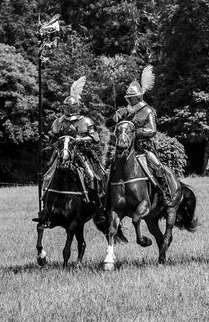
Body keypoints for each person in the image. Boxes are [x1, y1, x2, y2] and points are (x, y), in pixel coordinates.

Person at [33, 76, 105, 225]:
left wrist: (78, 140)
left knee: (92, 177)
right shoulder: (58, 121)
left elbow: (95, 138)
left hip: (80, 154)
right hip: (62, 155)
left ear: (76, 107)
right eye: (66, 107)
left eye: (71, 107)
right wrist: (45, 139)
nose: (68, 110)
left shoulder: (86, 121)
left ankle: (97, 207)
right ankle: (45, 211)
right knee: (47, 177)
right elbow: (52, 137)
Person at [113, 65, 174, 208]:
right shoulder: (126, 111)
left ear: (138, 97)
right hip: (126, 146)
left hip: (143, 147)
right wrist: (116, 116)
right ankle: (108, 196)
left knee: (157, 166)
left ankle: (165, 195)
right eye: (129, 98)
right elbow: (119, 120)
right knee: (112, 165)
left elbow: (152, 130)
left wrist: (136, 132)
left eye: (132, 98)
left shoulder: (148, 111)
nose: (130, 100)